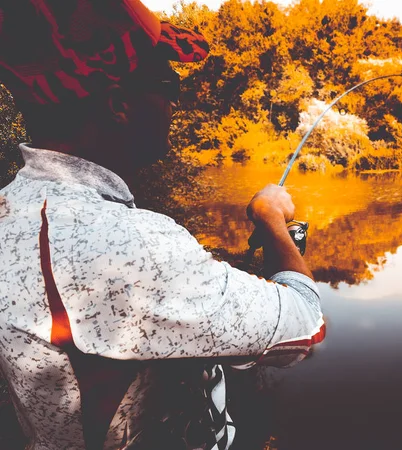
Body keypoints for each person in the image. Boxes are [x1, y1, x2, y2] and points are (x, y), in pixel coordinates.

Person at [0, 1, 325, 449]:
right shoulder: (131, 246)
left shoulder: (11, 208)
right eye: (167, 82)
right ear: (118, 104)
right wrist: (271, 219)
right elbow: (306, 325)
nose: (175, 101)